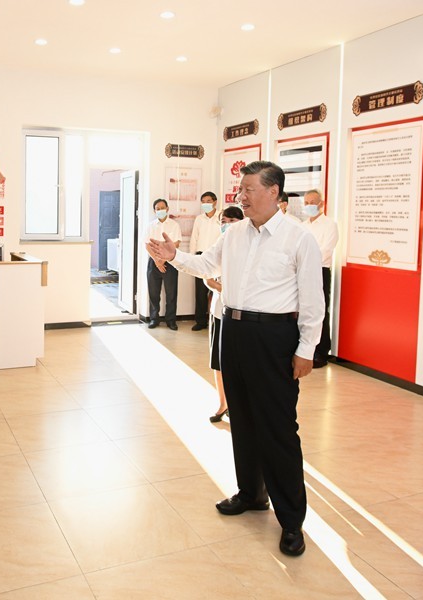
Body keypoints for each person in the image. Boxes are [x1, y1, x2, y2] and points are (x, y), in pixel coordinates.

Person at [147, 160, 324, 557]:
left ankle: (291, 520)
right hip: (235, 330)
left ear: (273, 192)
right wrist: (175, 255)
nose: (240, 196)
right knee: (242, 420)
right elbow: (205, 265)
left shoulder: (299, 238)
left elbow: (314, 302)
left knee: (278, 429)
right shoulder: (235, 233)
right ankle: (251, 494)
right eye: (240, 190)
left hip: (275, 337)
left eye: (248, 190)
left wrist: (305, 350)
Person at [206, 205, 244, 423]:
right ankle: (223, 404)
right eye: (223, 221)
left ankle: (238, 405)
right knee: (218, 362)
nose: (226, 225)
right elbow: (207, 277)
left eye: (231, 221)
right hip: (219, 311)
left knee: (238, 364)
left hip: (241, 316)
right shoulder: (218, 246)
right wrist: (223, 288)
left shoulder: (248, 248)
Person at [302, 189, 339, 368]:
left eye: (312, 202)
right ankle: (305, 350)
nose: (309, 206)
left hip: (320, 271)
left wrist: (307, 261)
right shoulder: (303, 226)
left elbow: (326, 250)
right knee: (304, 311)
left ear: (321, 204)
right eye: (306, 203)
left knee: (320, 311)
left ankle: (321, 351)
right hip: (302, 272)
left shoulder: (329, 225)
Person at [145, 198, 181, 330]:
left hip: (170, 261)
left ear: (167, 209)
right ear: (154, 211)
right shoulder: (150, 226)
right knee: (154, 292)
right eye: (157, 209)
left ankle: (171, 320)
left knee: (171, 293)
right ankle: (154, 319)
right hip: (153, 261)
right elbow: (147, 245)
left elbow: (176, 244)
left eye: (162, 208)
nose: (160, 210)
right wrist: (157, 260)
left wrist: (163, 260)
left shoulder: (174, 225)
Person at [188, 191, 220, 331]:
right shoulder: (199, 219)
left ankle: (215, 319)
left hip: (216, 256)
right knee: (200, 292)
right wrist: (192, 258)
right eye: (203, 202)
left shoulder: (221, 216)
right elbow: (194, 238)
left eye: (208, 201)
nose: (206, 204)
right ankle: (200, 321)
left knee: (216, 290)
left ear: (215, 202)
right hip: (201, 257)